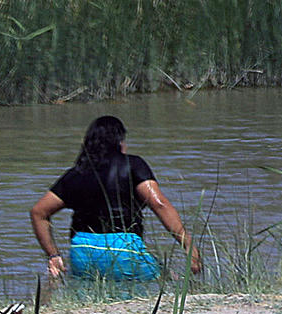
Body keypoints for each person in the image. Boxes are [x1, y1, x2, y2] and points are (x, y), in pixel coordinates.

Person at [30, 115, 200, 281]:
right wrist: (188, 246)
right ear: (119, 142)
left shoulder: (75, 174)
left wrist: (53, 255)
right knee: (173, 281)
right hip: (125, 251)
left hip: (82, 255)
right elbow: (159, 204)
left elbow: (39, 212)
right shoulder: (133, 165)